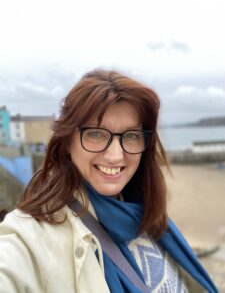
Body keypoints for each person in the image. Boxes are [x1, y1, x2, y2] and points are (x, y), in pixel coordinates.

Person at [0, 69, 217, 292]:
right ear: (67, 142)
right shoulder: (34, 237)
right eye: (95, 134)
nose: (115, 156)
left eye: (131, 136)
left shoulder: (143, 212)